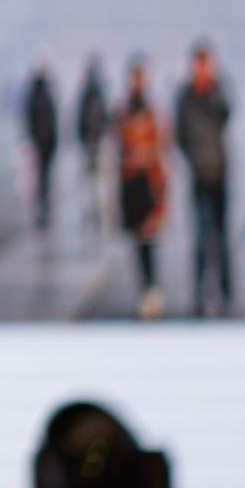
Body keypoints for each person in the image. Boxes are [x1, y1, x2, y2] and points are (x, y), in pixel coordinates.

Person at [176, 41, 236, 316]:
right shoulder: (185, 96)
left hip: (219, 174)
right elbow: (180, 133)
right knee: (200, 238)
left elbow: (226, 113)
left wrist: (211, 88)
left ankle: (225, 294)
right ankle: (200, 294)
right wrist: (192, 157)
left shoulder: (217, 90)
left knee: (221, 238)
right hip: (198, 176)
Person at [113, 55, 167, 318]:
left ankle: (151, 289)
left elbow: (159, 149)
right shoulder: (123, 112)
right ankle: (144, 289)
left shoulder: (151, 113)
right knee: (137, 242)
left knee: (148, 239)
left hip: (147, 182)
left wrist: (160, 193)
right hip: (130, 183)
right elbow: (118, 147)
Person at [73, 55, 112, 234]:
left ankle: (93, 214)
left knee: (93, 183)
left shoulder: (88, 94)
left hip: (92, 144)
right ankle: (95, 214)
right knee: (95, 183)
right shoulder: (97, 94)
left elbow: (82, 121)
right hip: (94, 144)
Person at [21, 61, 60, 231]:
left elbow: (31, 121)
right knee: (42, 178)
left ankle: (42, 207)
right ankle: (42, 207)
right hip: (45, 144)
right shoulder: (44, 96)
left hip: (42, 144)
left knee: (41, 178)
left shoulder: (35, 96)